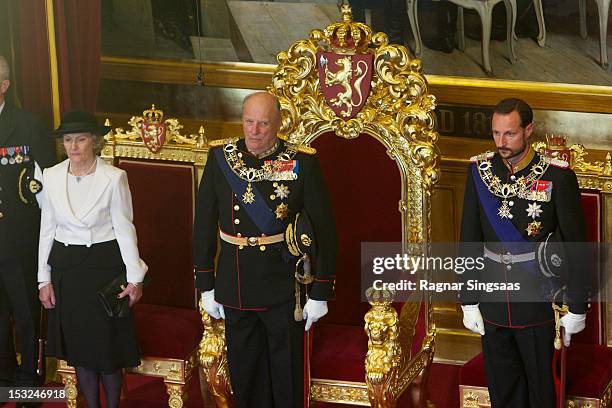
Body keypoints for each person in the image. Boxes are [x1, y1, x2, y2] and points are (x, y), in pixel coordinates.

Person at [194, 91, 337, 407]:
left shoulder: (300, 162)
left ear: (279, 124)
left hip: (283, 286)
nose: (254, 131)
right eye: (248, 122)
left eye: (262, 123)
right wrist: (205, 285)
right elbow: (203, 225)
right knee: (246, 376)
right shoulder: (221, 159)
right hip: (236, 284)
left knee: (286, 378)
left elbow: (325, 232)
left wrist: (321, 292)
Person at [459, 98, 588, 407]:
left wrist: (578, 306)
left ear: (528, 130)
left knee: (541, 391)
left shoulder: (557, 177)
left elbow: (576, 245)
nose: (501, 143)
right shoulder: (479, 172)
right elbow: (469, 239)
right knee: (502, 391)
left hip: (537, 302)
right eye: (496, 134)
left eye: (510, 134)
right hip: (492, 302)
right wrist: (468, 301)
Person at [37, 110, 148, 408]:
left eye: (81, 139)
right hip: (67, 272)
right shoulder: (51, 175)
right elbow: (46, 229)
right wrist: (43, 279)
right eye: (68, 139)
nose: (73, 146)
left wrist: (135, 279)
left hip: (103, 272)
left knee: (106, 350)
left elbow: (126, 230)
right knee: (80, 351)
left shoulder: (114, 178)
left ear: (94, 142)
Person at [0, 55, 56, 387]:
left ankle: (28, 381)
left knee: (24, 312)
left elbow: (48, 186)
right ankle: (3, 374)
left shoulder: (28, 125)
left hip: (19, 238)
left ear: (4, 86)